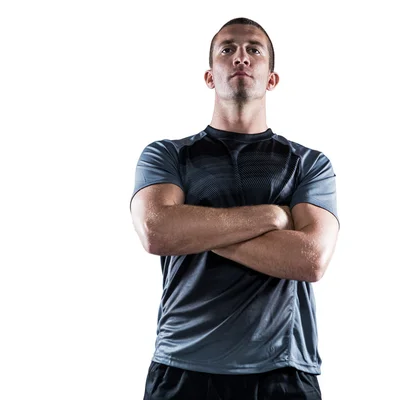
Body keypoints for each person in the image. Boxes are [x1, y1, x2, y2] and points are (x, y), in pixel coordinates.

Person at [130, 17, 339, 400]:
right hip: (182, 365)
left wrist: (193, 226)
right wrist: (273, 217)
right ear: (210, 76)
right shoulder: (167, 155)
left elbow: (310, 260)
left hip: (282, 370)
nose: (240, 57)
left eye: (253, 50)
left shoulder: (308, 164)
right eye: (227, 49)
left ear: (271, 79)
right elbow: (157, 231)